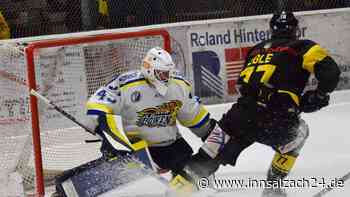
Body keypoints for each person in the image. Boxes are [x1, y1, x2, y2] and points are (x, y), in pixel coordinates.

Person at [182, 11, 341, 197]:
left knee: (207, 155)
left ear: (272, 29)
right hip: (275, 117)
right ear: (295, 30)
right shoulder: (302, 46)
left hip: (239, 114)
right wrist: (320, 95)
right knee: (299, 133)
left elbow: (241, 84)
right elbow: (331, 72)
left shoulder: (256, 50)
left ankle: (178, 187)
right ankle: (273, 189)